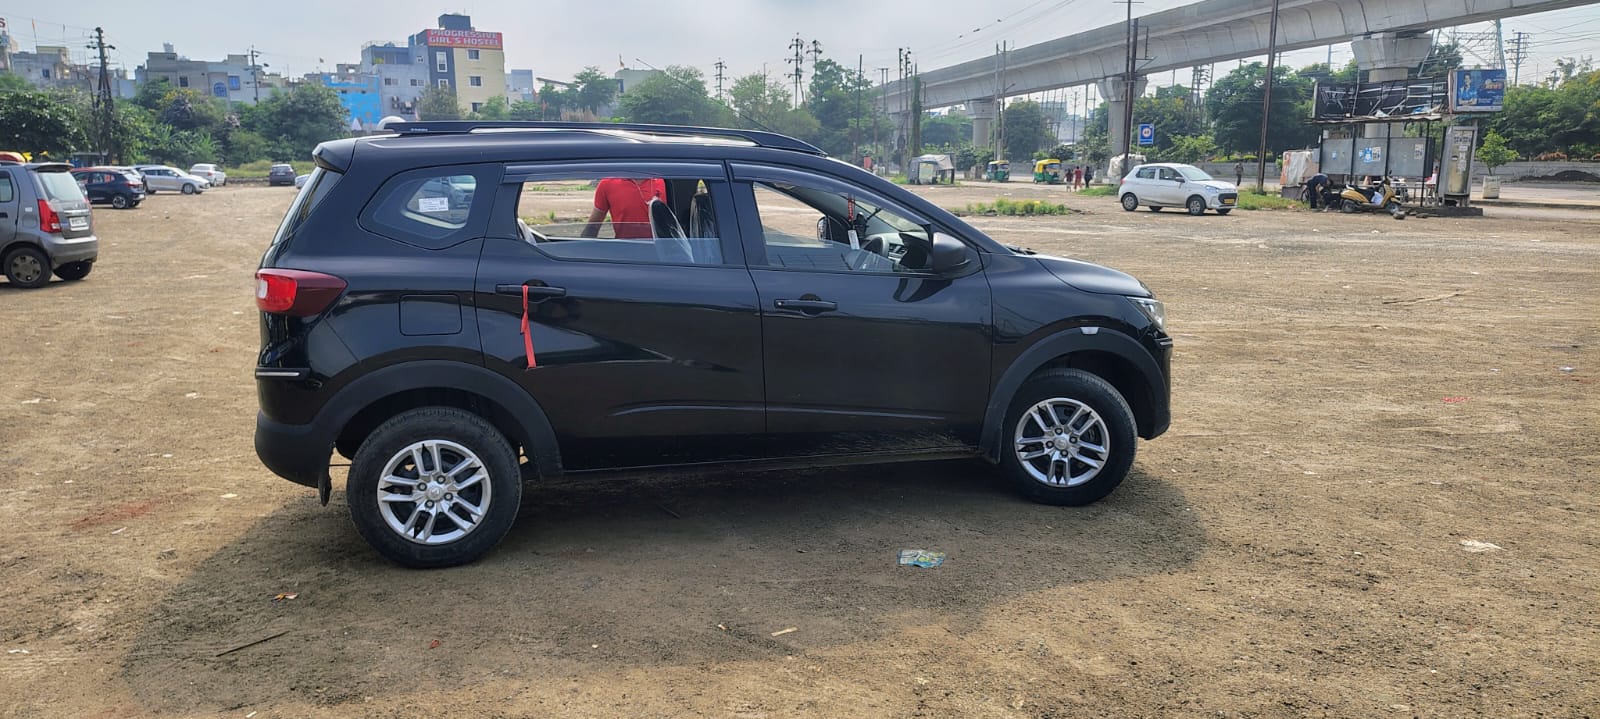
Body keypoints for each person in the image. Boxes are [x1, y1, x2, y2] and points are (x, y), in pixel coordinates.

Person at [581, 177, 665, 239]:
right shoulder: (608, 183)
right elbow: (592, 227)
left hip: (661, 255)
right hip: (624, 253)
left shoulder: (666, 181)